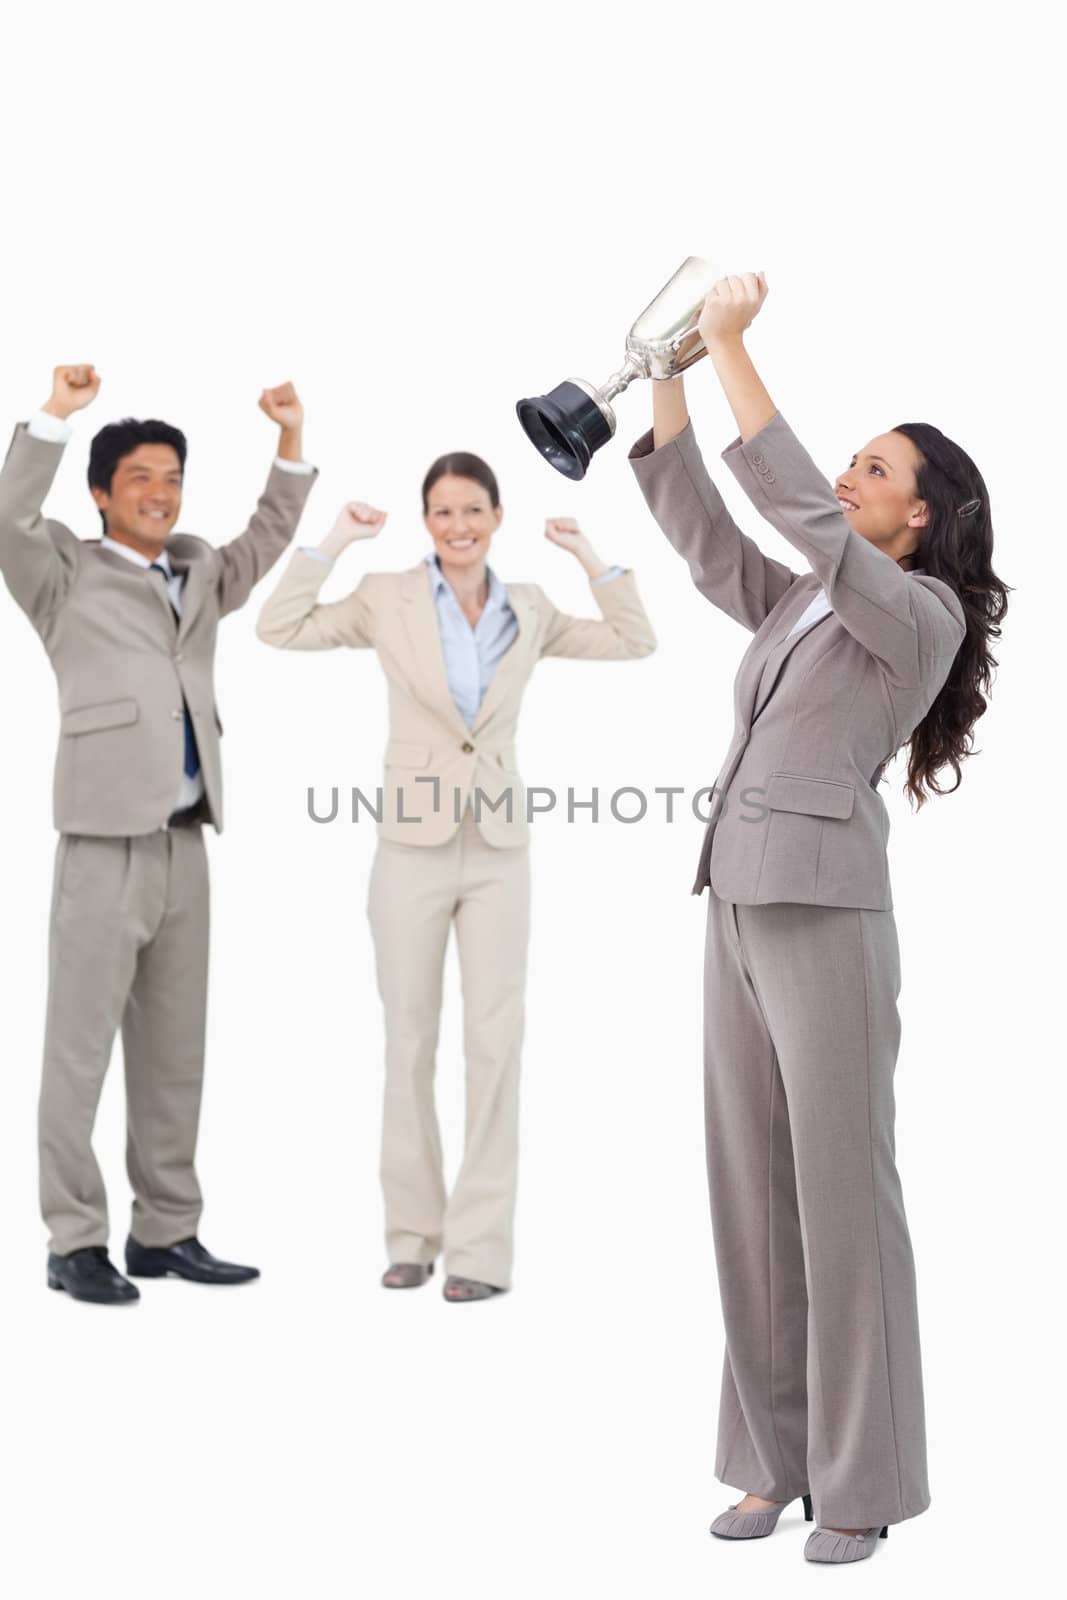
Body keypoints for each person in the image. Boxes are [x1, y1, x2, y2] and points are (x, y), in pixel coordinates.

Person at [628, 274, 1007, 1562]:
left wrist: (739, 351)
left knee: (841, 1196)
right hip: (731, 900)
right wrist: (670, 368)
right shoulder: (803, 600)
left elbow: (801, 519)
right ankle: (766, 1459)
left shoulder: (918, 613)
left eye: (872, 466)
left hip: (827, 916)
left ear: (924, 511)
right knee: (749, 1195)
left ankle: (864, 1477)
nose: (847, 475)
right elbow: (708, 545)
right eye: (847, 457)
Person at [256, 450, 655, 1300]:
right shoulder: (385, 598)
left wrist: (588, 553)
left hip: (499, 849)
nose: (458, 526)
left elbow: (633, 639)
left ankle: (477, 1251)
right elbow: (278, 627)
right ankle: (411, 1234)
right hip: (410, 845)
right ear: (425, 520)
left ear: (497, 516)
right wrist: (333, 541)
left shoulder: (533, 607)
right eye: (442, 512)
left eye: (472, 510)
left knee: (493, 1045)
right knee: (408, 1041)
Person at [0, 363, 318, 1305]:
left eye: (172, 478)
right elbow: (9, 516)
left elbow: (264, 540)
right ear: (102, 494)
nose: (159, 493)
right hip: (102, 841)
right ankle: (74, 1241)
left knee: (176, 1052)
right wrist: (55, 416)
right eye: (140, 477)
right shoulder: (61, 570)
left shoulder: (196, 567)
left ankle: (166, 1231)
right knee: (78, 1053)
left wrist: (290, 441)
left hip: (188, 840)